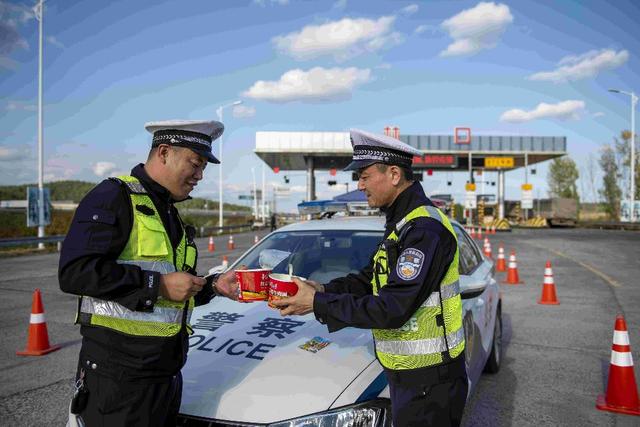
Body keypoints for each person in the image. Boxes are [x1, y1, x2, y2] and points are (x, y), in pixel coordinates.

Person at [272, 129, 468, 427]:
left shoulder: (424, 230)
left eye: (364, 176)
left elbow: (392, 308)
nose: (360, 185)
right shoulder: (402, 223)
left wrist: (317, 303)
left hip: (430, 383)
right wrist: (321, 288)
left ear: (393, 174)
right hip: (410, 377)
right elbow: (368, 279)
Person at [59, 119, 240, 426]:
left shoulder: (168, 210)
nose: (199, 176)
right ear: (164, 152)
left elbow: (175, 290)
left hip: (163, 376)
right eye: (195, 164)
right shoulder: (114, 197)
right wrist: (156, 285)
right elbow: (75, 272)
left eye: (203, 169)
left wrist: (212, 286)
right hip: (118, 381)